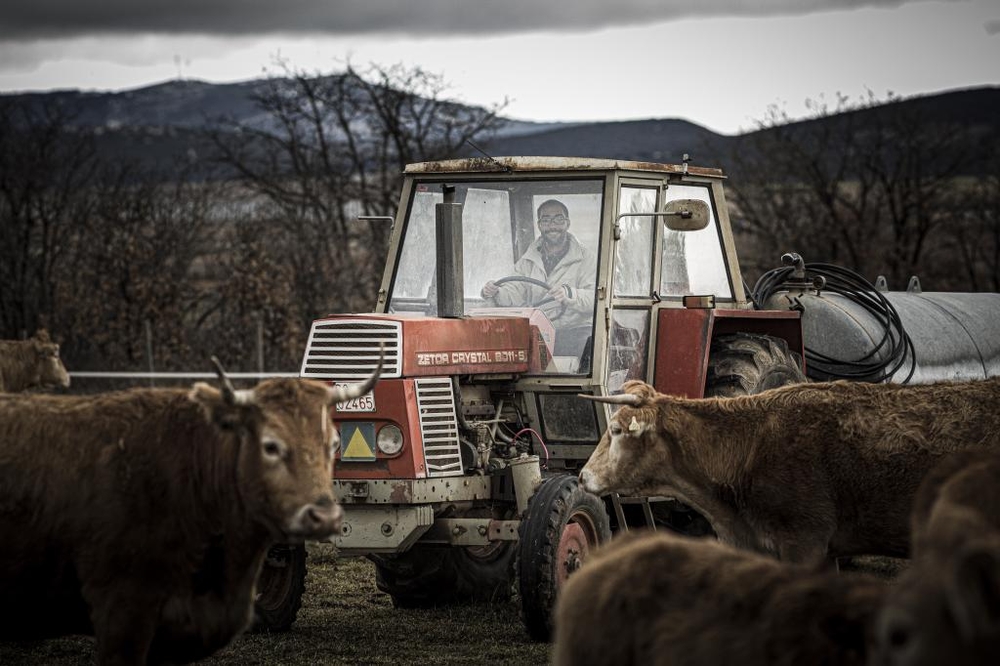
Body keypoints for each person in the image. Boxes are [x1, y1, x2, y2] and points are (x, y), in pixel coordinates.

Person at [481, 199, 597, 330]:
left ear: (567, 223)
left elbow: (596, 300)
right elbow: (516, 292)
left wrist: (570, 294)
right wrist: (496, 292)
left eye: (558, 219)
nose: (552, 226)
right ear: (539, 225)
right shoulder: (529, 259)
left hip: (573, 330)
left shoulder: (586, 258)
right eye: (546, 220)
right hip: (537, 328)